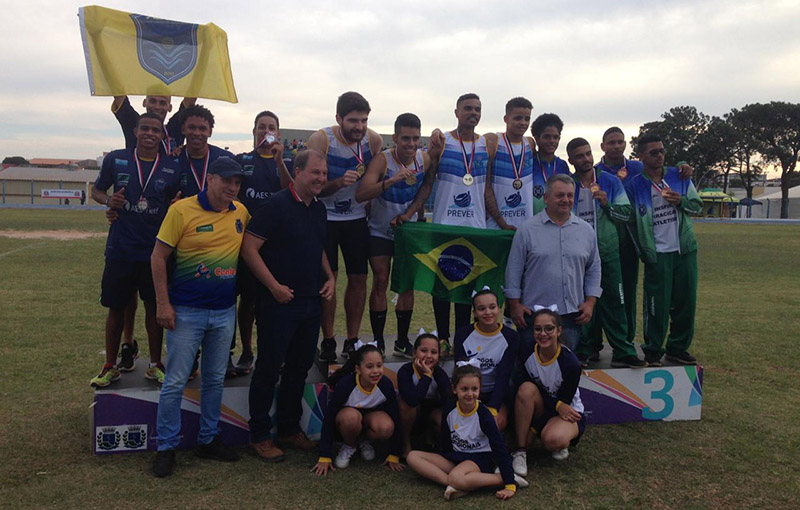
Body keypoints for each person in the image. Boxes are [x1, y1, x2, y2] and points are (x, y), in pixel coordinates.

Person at [149, 156, 250, 478]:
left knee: (214, 380)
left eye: (237, 183)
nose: (232, 188)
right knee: (175, 381)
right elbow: (158, 257)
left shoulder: (241, 212)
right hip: (186, 312)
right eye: (227, 182)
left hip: (224, 312)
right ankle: (166, 446)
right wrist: (163, 305)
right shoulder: (181, 211)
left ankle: (208, 439)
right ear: (211, 179)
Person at [243, 149, 336, 462]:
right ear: (297, 171)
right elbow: (249, 249)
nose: (321, 179)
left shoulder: (319, 208)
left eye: (324, 174)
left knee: (298, 368)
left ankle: (288, 428)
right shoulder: (276, 205)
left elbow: (318, 246)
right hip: (278, 303)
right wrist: (274, 287)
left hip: (311, 302)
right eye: (315, 173)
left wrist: (329, 277)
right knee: (268, 368)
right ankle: (259, 435)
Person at [89, 113, 182, 387]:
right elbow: (96, 190)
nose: (150, 134)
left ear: (162, 134)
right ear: (136, 130)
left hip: (156, 252)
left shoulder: (172, 166)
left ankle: (155, 364)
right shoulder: (116, 159)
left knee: (155, 307)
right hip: (121, 247)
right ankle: (110, 365)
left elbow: (176, 200)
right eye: (145, 128)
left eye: (156, 129)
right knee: (116, 307)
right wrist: (108, 201)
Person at [354, 112, 441, 357]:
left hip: (407, 231)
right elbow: (361, 193)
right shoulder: (383, 161)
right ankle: (379, 341)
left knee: (407, 286)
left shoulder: (423, 158)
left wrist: (409, 215)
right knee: (381, 280)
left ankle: (402, 341)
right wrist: (391, 181)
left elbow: (425, 189)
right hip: (380, 230)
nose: (411, 144)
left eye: (415, 138)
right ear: (395, 138)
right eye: (405, 139)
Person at [307, 92, 383, 362]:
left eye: (363, 120)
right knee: (329, 279)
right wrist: (338, 183)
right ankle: (328, 340)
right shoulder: (321, 140)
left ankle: (351, 339)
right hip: (325, 218)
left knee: (359, 278)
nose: (359, 127)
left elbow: (372, 183)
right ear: (338, 119)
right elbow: (311, 186)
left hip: (356, 220)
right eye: (353, 121)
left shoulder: (373, 141)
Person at [424, 93, 494, 357]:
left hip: (475, 227)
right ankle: (442, 338)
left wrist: (497, 221)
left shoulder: (487, 144)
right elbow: (427, 181)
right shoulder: (443, 142)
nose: (473, 113)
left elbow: (486, 187)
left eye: (477, 109)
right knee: (442, 285)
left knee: (467, 287)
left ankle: (462, 338)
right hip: (444, 224)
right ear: (456, 112)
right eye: (467, 108)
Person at [566, 138, 646, 368]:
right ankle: (584, 349)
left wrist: (607, 204)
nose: (586, 159)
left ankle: (622, 349)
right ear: (571, 160)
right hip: (579, 255)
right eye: (579, 156)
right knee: (580, 304)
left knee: (615, 301)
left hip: (608, 252)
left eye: (588, 154)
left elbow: (626, 213)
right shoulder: (568, 184)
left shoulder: (609, 181)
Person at [625, 133, 702, 366]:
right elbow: (629, 224)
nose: (659, 156)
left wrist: (682, 202)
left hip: (684, 250)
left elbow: (697, 206)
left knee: (686, 302)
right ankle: (653, 349)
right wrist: (643, 252)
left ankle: (677, 347)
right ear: (641, 156)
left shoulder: (678, 176)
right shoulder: (635, 186)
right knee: (656, 304)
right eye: (653, 152)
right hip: (657, 252)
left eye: (662, 151)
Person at [505, 174, 602, 352]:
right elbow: (513, 270)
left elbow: (594, 269)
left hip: (571, 317)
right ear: (546, 198)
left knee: (564, 370)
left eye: (570, 195)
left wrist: (590, 302)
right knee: (530, 371)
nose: (566, 200)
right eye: (560, 195)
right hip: (532, 316)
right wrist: (515, 305)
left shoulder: (586, 231)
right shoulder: (527, 230)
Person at [406, 364, 528, 501]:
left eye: (474, 389)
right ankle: (458, 484)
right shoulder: (449, 409)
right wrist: (446, 459)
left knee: (455, 476)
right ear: (454, 389)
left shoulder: (484, 414)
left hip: (480, 458)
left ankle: (502, 479)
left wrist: (509, 483)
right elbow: (446, 441)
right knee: (413, 456)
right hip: (456, 457)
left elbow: (499, 447)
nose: (470, 394)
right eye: (464, 389)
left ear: (479, 389)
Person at [230, 110, 292, 375]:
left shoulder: (287, 160)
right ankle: (246, 350)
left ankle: (272, 351)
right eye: (261, 126)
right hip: (244, 242)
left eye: (271, 127)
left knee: (274, 300)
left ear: (278, 133)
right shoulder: (241, 160)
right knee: (248, 300)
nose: (266, 131)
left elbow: (292, 191)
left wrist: (280, 162)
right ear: (253, 131)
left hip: (277, 243)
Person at [512, 308, 586, 475]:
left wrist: (536, 427)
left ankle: (562, 438)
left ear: (559, 330)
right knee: (525, 389)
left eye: (549, 328)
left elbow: (563, 403)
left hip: (567, 411)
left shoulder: (570, 364)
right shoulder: (527, 352)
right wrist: (556, 405)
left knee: (553, 439)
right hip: (549, 406)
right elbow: (521, 384)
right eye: (538, 329)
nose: (543, 334)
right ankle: (520, 452)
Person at [312, 343, 404, 475]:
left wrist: (394, 453)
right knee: (351, 418)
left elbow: (396, 417)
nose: (375, 371)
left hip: (369, 421)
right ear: (358, 369)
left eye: (379, 365)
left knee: (386, 426)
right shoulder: (345, 385)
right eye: (369, 367)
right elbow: (329, 417)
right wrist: (324, 455)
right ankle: (350, 445)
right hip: (346, 423)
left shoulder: (385, 384)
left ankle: (364, 441)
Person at [453, 289, 518, 431]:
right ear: (474, 312)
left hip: (496, 394)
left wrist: (494, 407)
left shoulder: (511, 337)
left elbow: (504, 375)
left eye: (492, 307)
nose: (488, 312)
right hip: (470, 393)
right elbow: (461, 373)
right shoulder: (463, 335)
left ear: (498, 308)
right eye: (481, 309)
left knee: (493, 423)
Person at [484, 97, 537, 231]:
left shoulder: (530, 143)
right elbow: (486, 186)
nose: (523, 123)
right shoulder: (493, 141)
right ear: (506, 119)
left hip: (525, 226)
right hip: (496, 226)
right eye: (518, 118)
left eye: (527, 119)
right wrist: (502, 223)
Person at [397, 332, 451, 457]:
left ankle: (434, 439)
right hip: (413, 411)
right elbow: (411, 400)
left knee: (442, 416)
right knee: (405, 405)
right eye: (423, 350)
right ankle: (405, 444)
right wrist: (426, 376)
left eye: (433, 352)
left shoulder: (439, 373)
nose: (428, 356)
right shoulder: (405, 371)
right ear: (414, 353)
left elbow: (448, 400)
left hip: (431, 411)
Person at [177, 105, 235, 198]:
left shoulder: (227, 159)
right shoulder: (173, 160)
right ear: (183, 129)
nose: (196, 133)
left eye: (202, 128)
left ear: (210, 132)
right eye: (191, 127)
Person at [111, 94, 195, 154]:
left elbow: (192, 96)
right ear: (144, 103)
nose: (157, 107)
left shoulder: (174, 129)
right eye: (152, 101)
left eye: (162, 103)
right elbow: (118, 94)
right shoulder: (135, 124)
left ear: (170, 107)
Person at [530, 113, 570, 215]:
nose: (552, 141)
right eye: (547, 137)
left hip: (558, 221)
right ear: (537, 138)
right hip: (533, 222)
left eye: (555, 137)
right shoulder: (528, 163)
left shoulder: (562, 165)